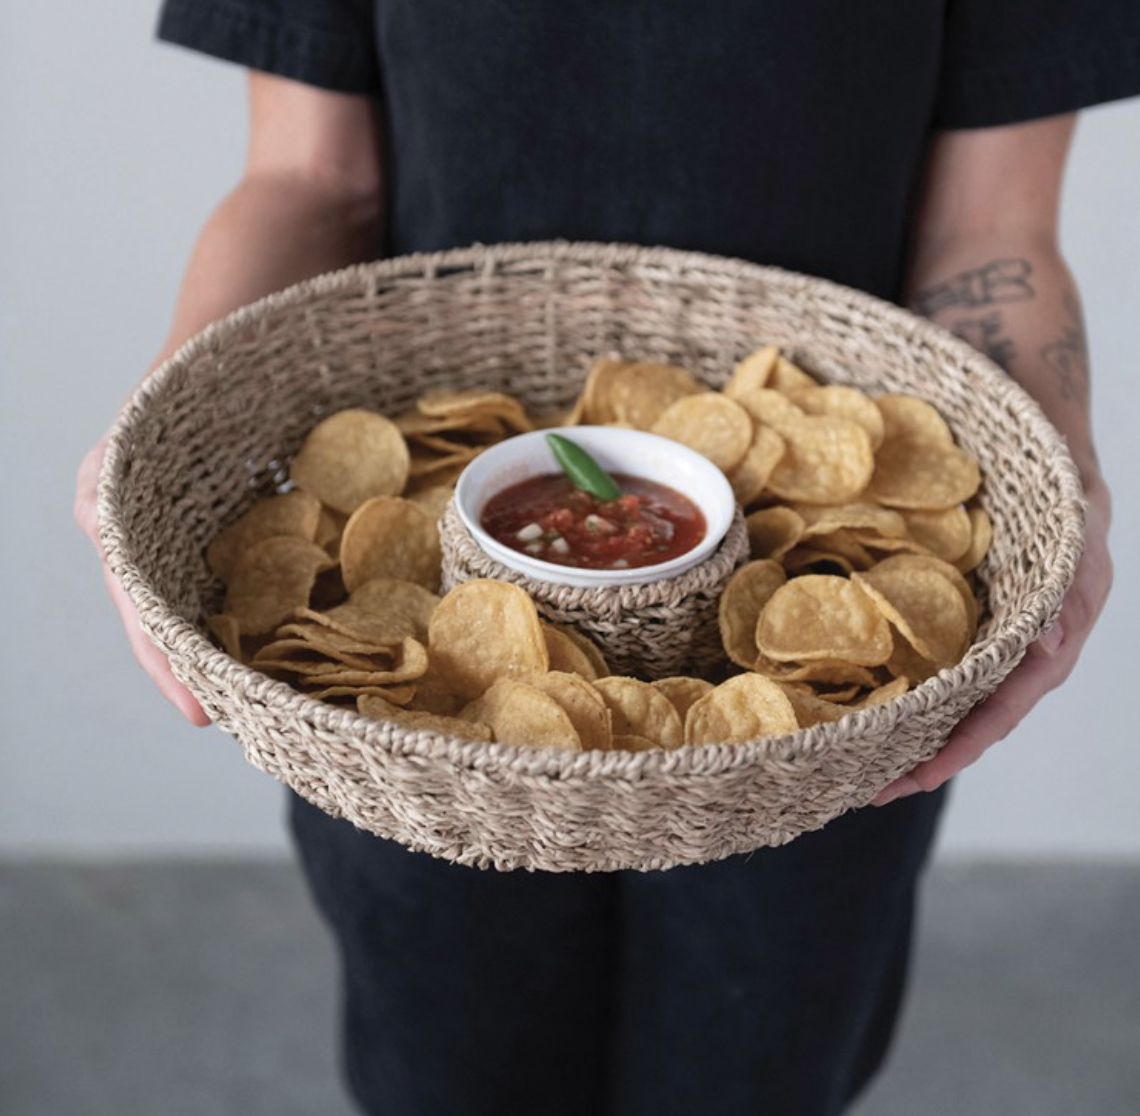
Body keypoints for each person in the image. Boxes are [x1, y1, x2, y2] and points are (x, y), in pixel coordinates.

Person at [75, 3, 1135, 1113]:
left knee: (760, 1066)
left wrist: (1062, 478)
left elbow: (991, 230)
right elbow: (307, 179)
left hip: (824, 670)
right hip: (419, 695)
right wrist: (165, 417)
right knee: (451, 1070)